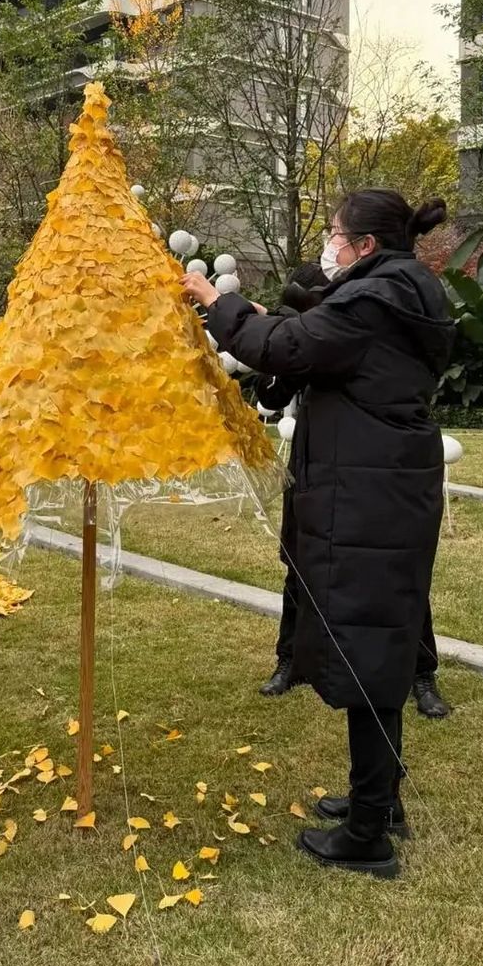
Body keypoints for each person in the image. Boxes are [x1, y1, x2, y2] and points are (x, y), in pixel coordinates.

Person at [184, 190, 455, 879]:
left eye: (335, 233)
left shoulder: (373, 301)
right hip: (384, 488)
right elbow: (308, 350)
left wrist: (212, 298)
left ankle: (369, 834)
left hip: (370, 497)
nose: (327, 244)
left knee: (366, 648)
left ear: (364, 244)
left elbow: (277, 345)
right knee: (378, 644)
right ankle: (380, 799)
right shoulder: (397, 293)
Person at [256, 265, 453, 721]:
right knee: (301, 564)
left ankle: (421, 673)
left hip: (374, 472)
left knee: (394, 577)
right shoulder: (313, 323)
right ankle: (291, 659)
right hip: (315, 462)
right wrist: (278, 341)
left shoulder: (380, 318)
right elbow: (272, 390)